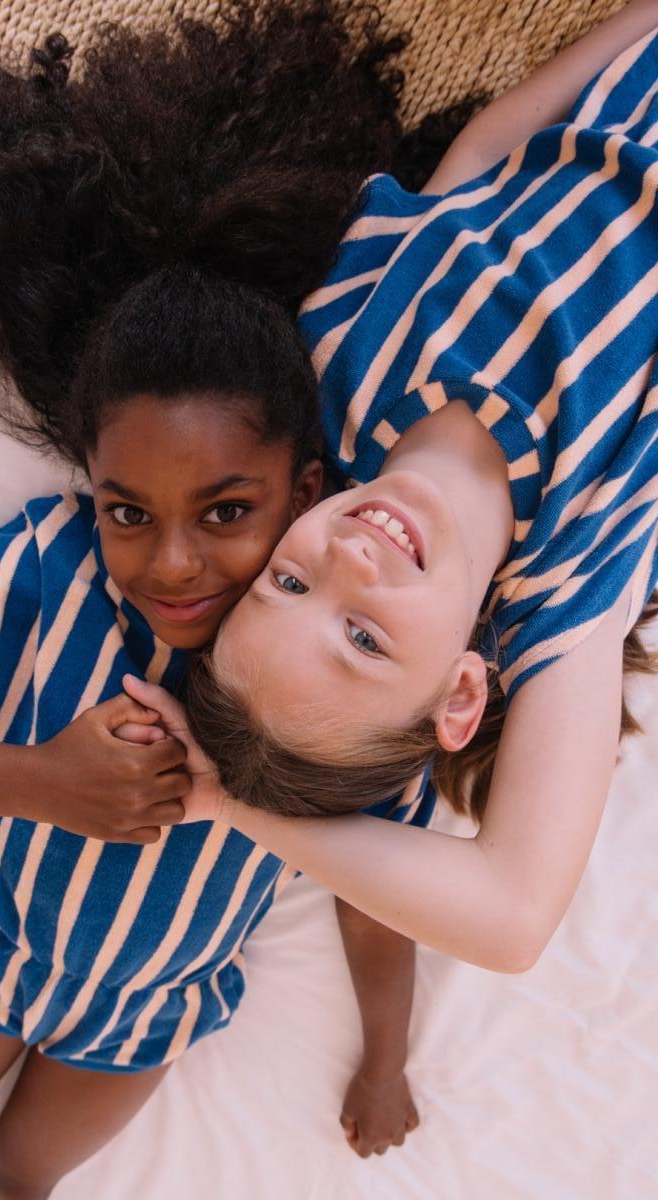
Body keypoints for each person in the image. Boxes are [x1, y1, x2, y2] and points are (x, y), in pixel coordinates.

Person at [0, 5, 474, 1197]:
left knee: (17, 1182)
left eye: (227, 511)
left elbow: (374, 894)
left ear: (304, 492)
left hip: (144, 1011)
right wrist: (33, 783)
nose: (172, 564)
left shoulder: (352, 673)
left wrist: (384, 1060)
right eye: (127, 510)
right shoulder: (43, 576)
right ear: (87, 490)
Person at [125, 1, 658, 980]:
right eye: (365, 639)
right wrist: (228, 806)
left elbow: (479, 159)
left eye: (289, 583)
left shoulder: (340, 363)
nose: (349, 561)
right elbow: (511, 919)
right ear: (461, 692)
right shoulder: (565, 584)